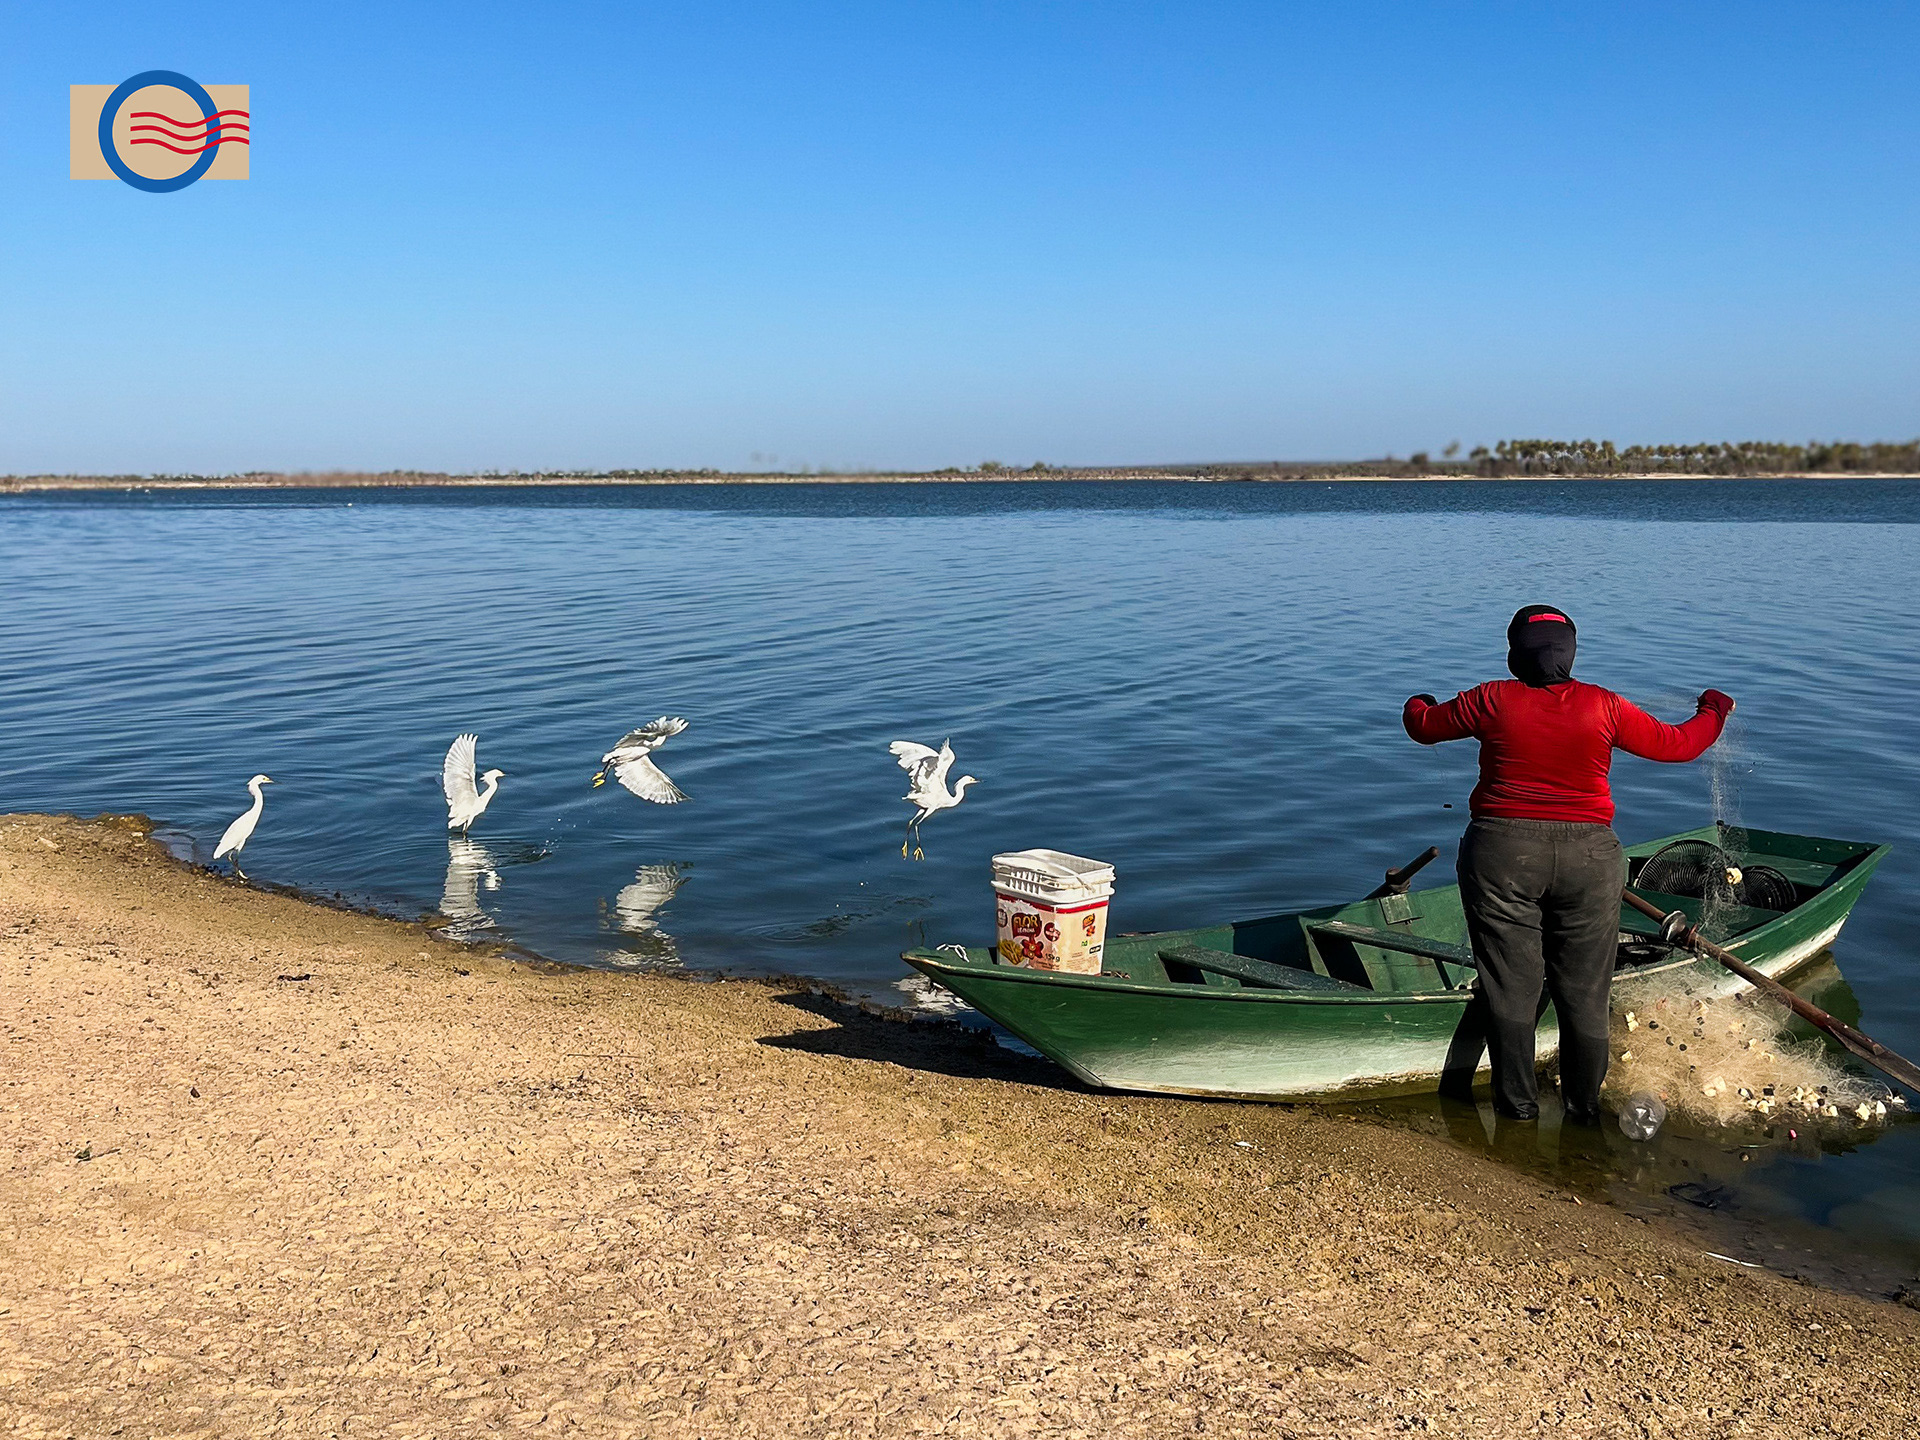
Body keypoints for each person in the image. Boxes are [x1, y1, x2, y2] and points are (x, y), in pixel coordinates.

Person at [1403, 605, 1734, 1124]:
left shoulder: (1491, 699)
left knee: (1511, 983)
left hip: (1502, 855)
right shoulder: (1603, 706)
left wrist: (1418, 699)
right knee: (1584, 988)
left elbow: (1422, 726)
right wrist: (1713, 709)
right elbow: (1680, 745)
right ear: (1571, 652)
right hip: (1590, 859)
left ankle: (1517, 1111)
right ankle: (1583, 1110)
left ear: (1515, 653)